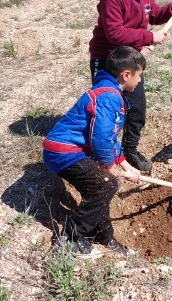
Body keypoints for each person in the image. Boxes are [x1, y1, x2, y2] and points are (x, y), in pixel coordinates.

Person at [88, 0, 172, 173]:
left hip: (132, 60)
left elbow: (153, 13)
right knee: (106, 109)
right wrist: (150, 38)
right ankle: (100, 153)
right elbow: (115, 33)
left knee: (136, 108)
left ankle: (129, 150)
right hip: (107, 59)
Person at [43, 46, 144, 256]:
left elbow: (110, 136)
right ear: (126, 75)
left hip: (69, 150)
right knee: (105, 185)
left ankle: (102, 235)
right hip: (64, 151)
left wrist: (125, 164)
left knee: (100, 187)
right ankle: (70, 239)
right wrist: (110, 167)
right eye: (139, 75)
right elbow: (100, 140)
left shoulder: (109, 91)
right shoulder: (109, 97)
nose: (140, 81)